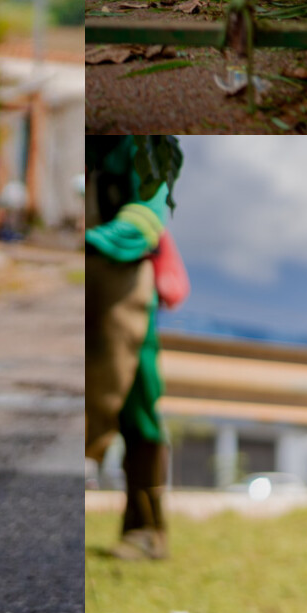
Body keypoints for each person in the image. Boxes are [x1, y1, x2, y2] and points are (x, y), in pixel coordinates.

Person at [85, 136, 181, 561]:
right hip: (86, 284)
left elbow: (145, 216)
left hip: (121, 286)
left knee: (138, 403)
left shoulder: (142, 145)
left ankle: (147, 529)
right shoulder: (92, 147)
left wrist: (94, 241)